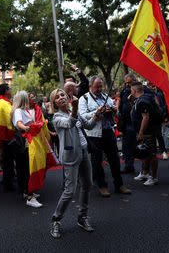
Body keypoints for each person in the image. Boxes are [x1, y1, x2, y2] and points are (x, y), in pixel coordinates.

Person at [49, 89, 103, 238]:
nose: (61, 98)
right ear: (54, 103)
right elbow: (70, 123)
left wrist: (97, 113)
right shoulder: (57, 117)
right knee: (70, 191)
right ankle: (56, 219)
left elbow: (90, 125)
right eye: (57, 97)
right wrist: (76, 109)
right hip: (70, 156)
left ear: (67, 98)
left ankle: (82, 217)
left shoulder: (75, 111)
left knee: (87, 185)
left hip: (84, 152)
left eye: (63, 95)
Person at [78, 76, 131, 197]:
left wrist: (114, 109)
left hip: (108, 131)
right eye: (97, 87)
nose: (100, 89)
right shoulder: (84, 99)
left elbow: (117, 113)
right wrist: (97, 112)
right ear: (90, 86)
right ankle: (102, 186)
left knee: (115, 160)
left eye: (101, 86)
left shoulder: (105, 96)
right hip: (94, 134)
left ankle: (119, 185)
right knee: (97, 161)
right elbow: (82, 116)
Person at [10, 91, 43, 207]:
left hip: (24, 141)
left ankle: (27, 192)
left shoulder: (21, 110)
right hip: (24, 141)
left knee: (23, 168)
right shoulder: (19, 111)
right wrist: (27, 128)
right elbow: (19, 123)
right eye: (27, 98)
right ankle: (30, 197)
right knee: (27, 169)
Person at [130, 82, 159, 186]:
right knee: (146, 152)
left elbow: (145, 117)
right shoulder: (145, 97)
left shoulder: (142, 101)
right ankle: (145, 173)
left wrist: (141, 133)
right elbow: (137, 112)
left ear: (134, 91)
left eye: (131, 90)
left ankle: (154, 177)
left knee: (151, 154)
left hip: (147, 132)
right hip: (147, 131)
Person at [0, 83, 16, 191]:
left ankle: (7, 181)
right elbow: (11, 119)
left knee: (7, 161)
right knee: (8, 162)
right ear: (6, 91)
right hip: (7, 136)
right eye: (10, 89)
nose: (11, 91)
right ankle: (8, 184)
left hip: (3, 136)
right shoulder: (4, 103)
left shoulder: (0, 102)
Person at [116, 73, 138, 173]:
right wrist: (118, 110)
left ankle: (131, 165)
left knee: (132, 145)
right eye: (126, 83)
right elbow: (120, 101)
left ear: (134, 80)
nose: (127, 85)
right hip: (125, 122)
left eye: (129, 82)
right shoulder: (124, 91)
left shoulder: (139, 90)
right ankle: (128, 165)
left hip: (134, 122)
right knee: (125, 145)